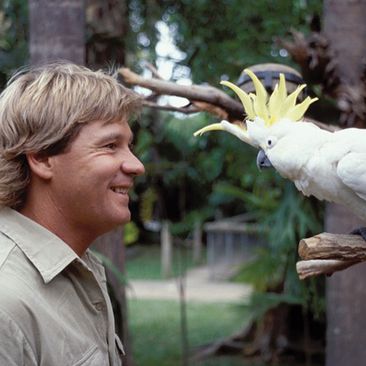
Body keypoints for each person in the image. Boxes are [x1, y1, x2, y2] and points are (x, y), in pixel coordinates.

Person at [0, 62, 145, 365]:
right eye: (110, 145)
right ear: (41, 157)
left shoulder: (78, 268)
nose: (136, 165)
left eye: (128, 145)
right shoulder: (7, 300)